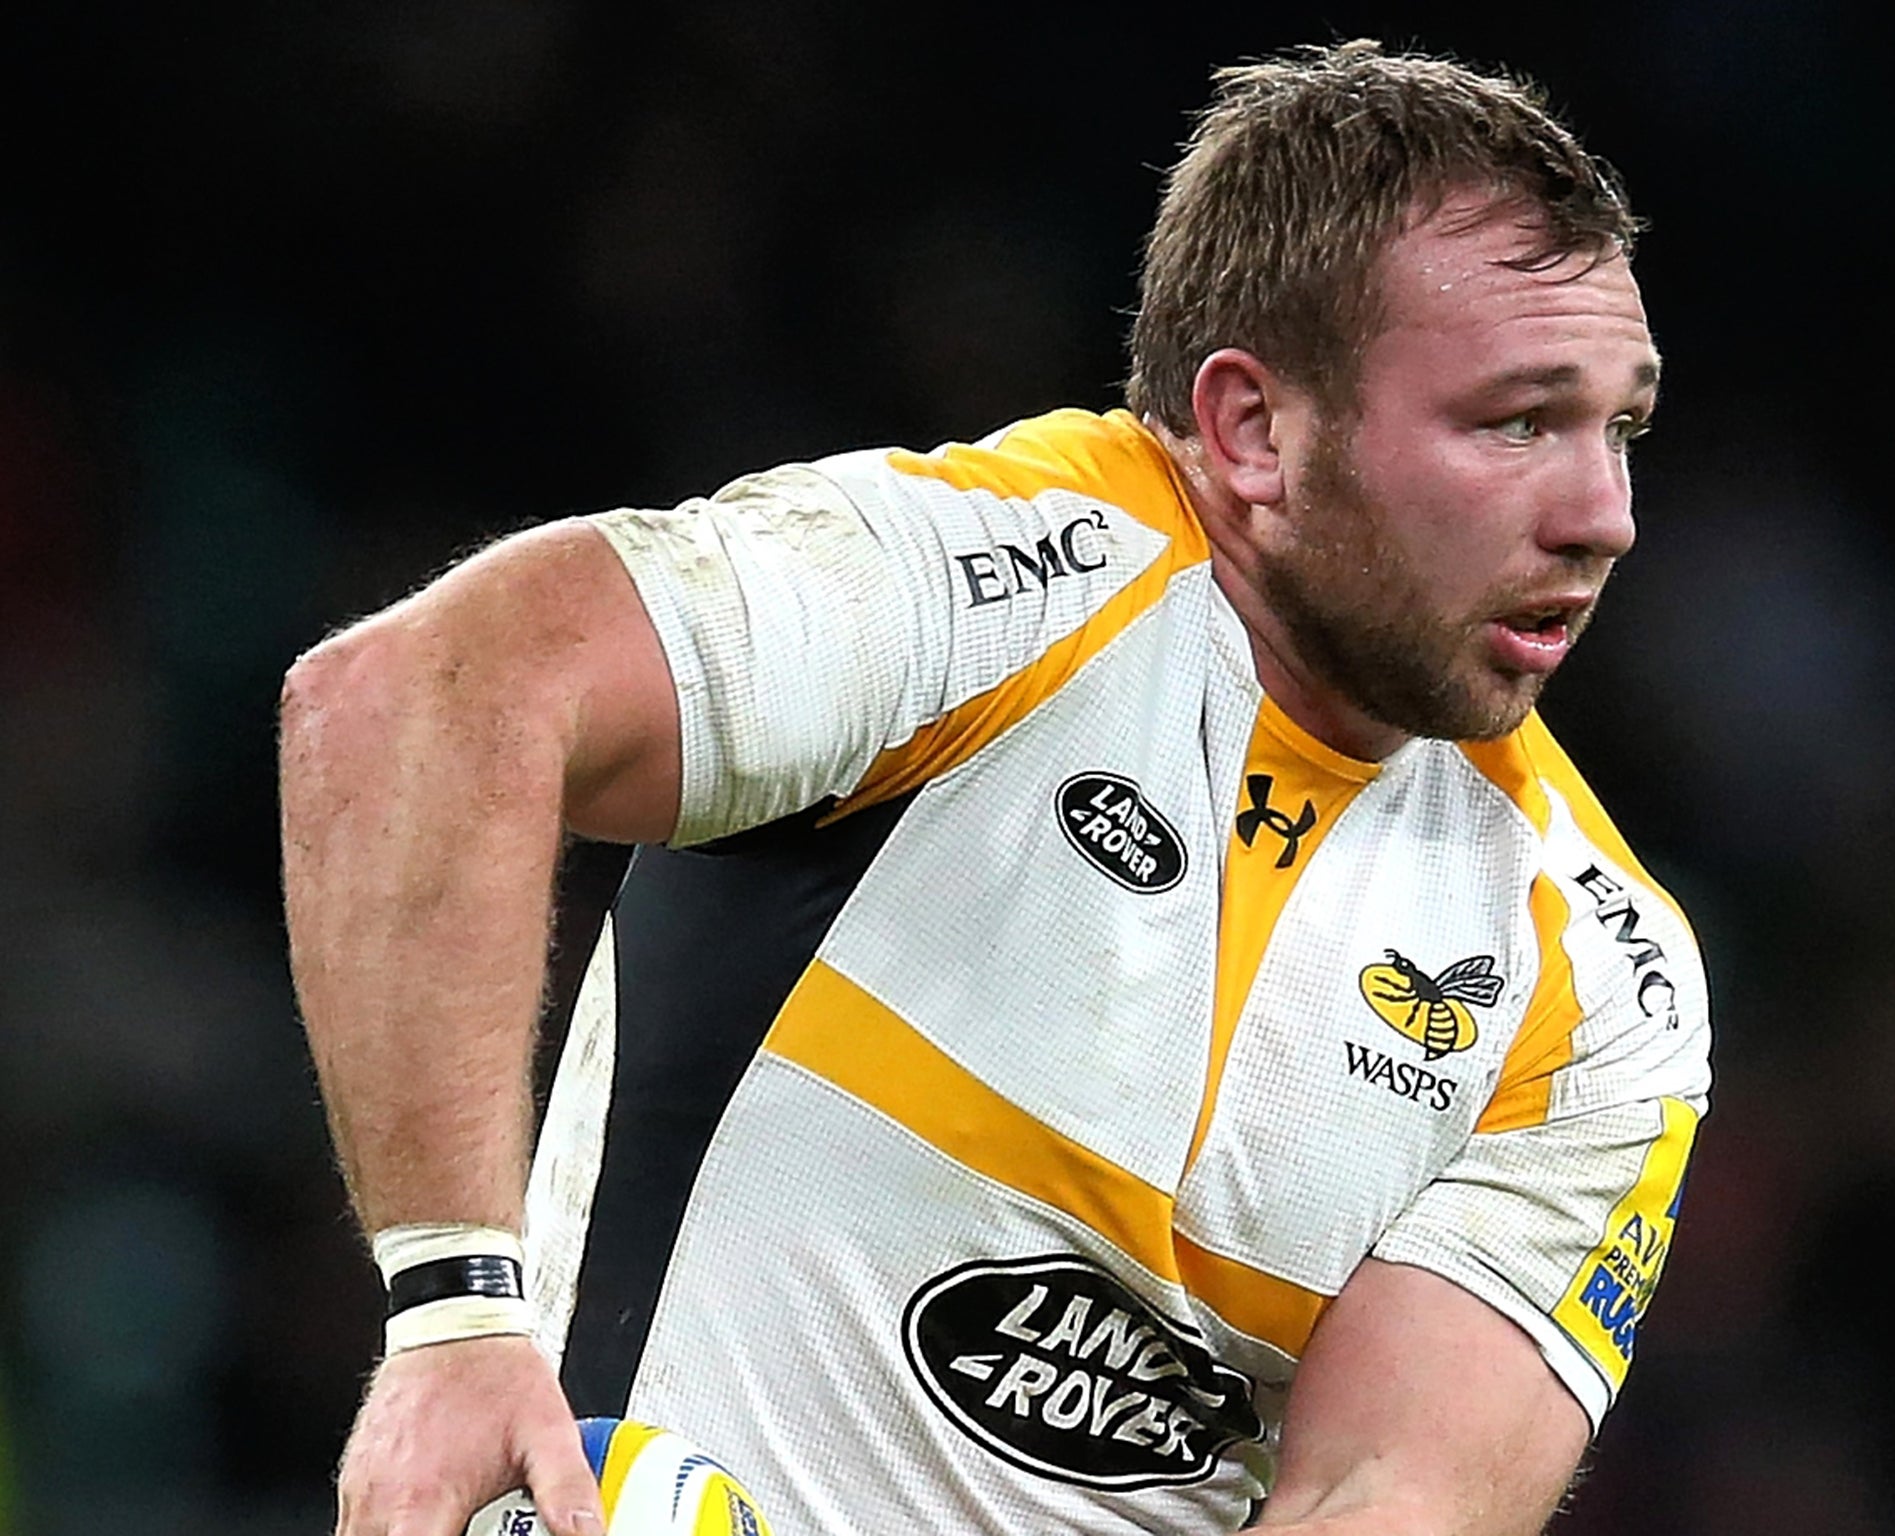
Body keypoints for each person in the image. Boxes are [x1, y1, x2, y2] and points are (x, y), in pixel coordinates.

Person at [279, 37, 1709, 1536]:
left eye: (1622, 427)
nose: (1604, 515)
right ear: (1254, 430)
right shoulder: (999, 589)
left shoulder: (1604, 982)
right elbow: (416, 699)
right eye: (1518, 421)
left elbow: (1391, 1497)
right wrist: (454, 1316)